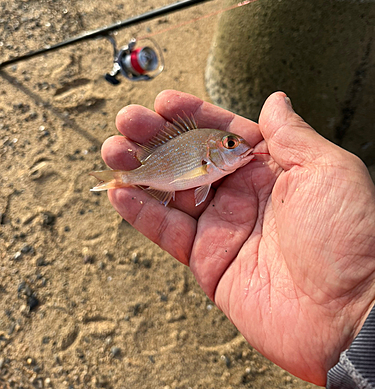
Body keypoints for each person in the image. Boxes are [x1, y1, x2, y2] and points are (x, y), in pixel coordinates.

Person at [100, 90, 375, 387]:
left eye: (232, 143)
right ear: (211, 153)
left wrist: (361, 299)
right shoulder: (201, 161)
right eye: (230, 144)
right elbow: (196, 176)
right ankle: (119, 179)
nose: (237, 147)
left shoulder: (218, 163)